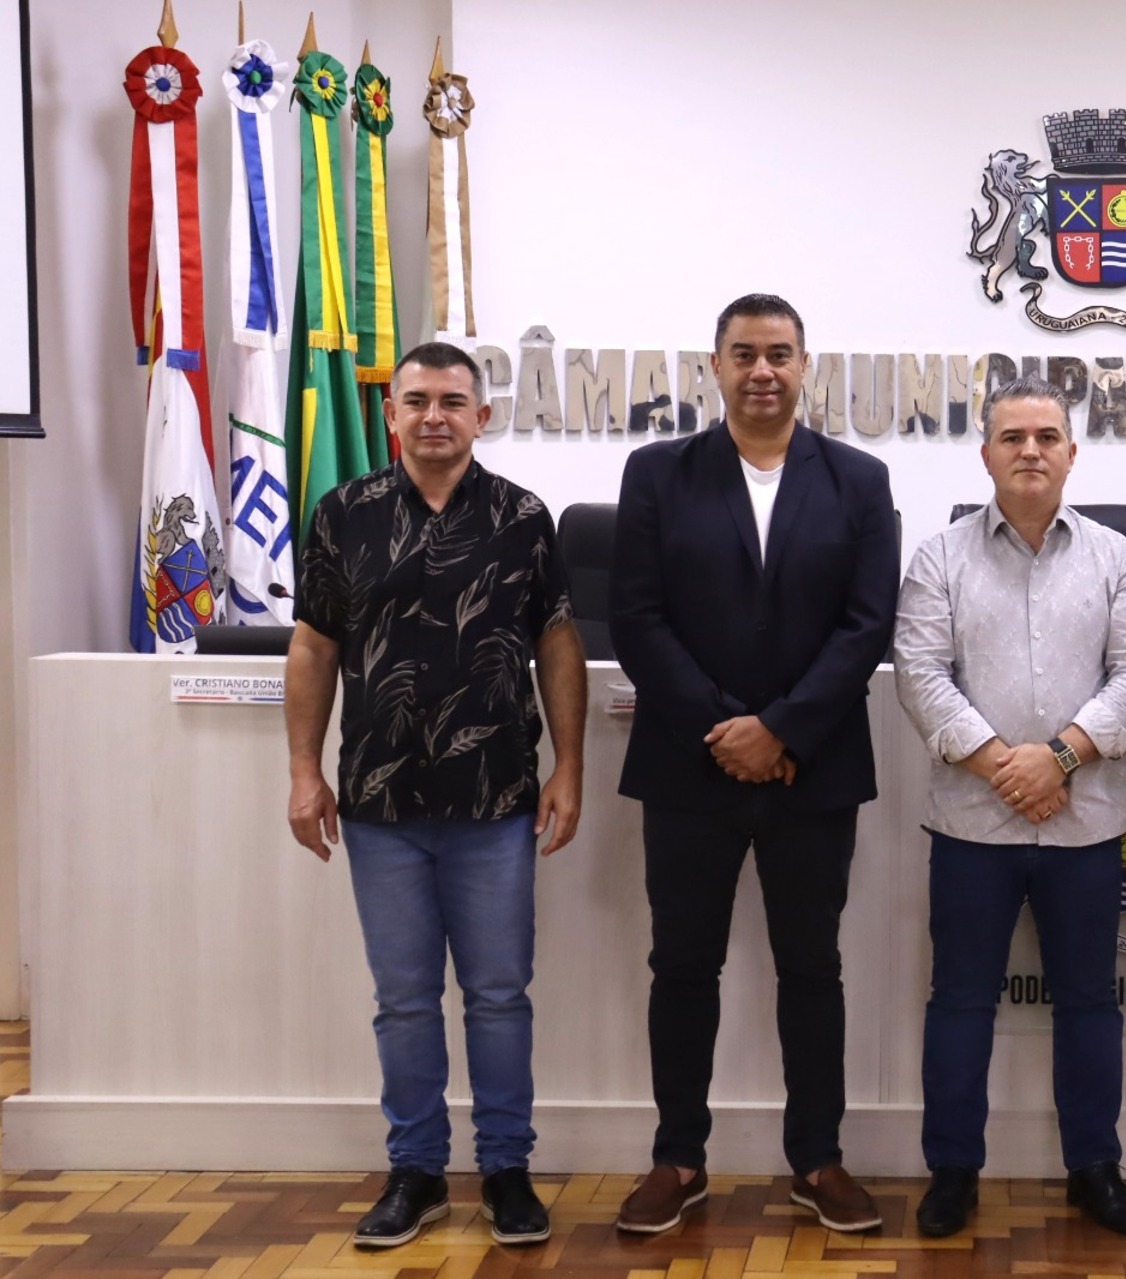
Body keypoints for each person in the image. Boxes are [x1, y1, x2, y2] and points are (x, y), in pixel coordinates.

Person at [285, 341, 587, 1249]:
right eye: (416, 400)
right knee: (405, 999)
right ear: (391, 414)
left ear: (482, 416)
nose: (433, 416)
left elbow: (557, 645)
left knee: (498, 994)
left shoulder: (523, 518)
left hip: (496, 799)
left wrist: (570, 765)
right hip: (380, 804)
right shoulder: (343, 514)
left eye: (453, 401)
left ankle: (506, 1170)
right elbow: (313, 647)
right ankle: (415, 1170)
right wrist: (303, 770)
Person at [609, 294, 898, 1235]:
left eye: (779, 353)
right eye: (745, 354)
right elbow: (636, 617)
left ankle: (818, 1158)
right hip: (689, 768)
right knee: (681, 966)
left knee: (812, 968)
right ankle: (678, 1159)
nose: (762, 370)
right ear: (717, 366)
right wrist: (727, 729)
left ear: (805, 365)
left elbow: (868, 624)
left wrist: (781, 730)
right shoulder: (659, 473)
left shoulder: (859, 480)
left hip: (812, 769)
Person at [894, 376, 1126, 1237]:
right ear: (986, 454)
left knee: (1089, 1002)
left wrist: (1059, 758)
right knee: (961, 1001)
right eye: (1013, 437)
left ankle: (1095, 1167)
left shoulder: (1117, 559)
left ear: (1072, 452)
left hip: (1087, 824)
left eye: (1047, 436)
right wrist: (1005, 766)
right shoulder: (938, 557)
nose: (1031, 451)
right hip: (971, 824)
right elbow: (920, 674)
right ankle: (953, 1171)